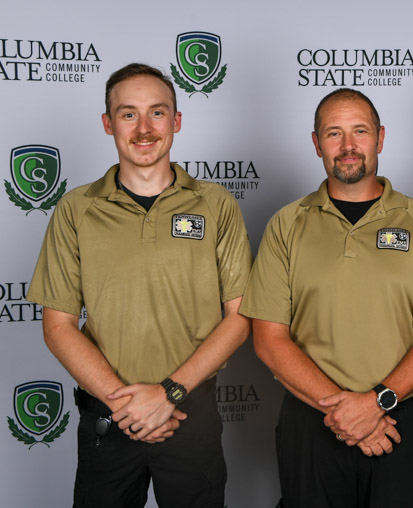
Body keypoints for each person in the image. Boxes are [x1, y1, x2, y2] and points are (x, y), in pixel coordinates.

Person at [27, 63, 252, 508]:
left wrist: (167, 394)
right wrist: (127, 406)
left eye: (157, 112)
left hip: (190, 415)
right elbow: (58, 325)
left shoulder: (216, 204)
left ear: (177, 121)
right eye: (128, 114)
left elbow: (240, 316)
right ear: (109, 123)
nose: (145, 128)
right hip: (108, 421)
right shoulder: (76, 209)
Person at [239, 88, 413, 508]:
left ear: (381, 138)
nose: (349, 146)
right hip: (312, 420)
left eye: (360, 131)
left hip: (400, 417)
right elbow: (269, 338)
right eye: (334, 134)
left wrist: (376, 403)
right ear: (317, 143)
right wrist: (346, 413)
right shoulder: (287, 224)